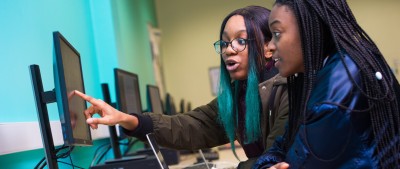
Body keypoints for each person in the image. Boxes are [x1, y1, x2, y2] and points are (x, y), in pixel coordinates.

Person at [74, 6, 289, 168]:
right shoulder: (238, 97)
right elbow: (189, 127)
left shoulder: (288, 90)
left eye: (240, 41)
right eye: (224, 43)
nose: (228, 50)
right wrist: (127, 119)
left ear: (268, 47)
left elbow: (273, 160)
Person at [252, 0, 400, 168]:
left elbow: (293, 162)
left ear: (310, 31)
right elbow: (283, 143)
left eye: (276, 33)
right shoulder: (328, 71)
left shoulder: (331, 99)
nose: (270, 46)